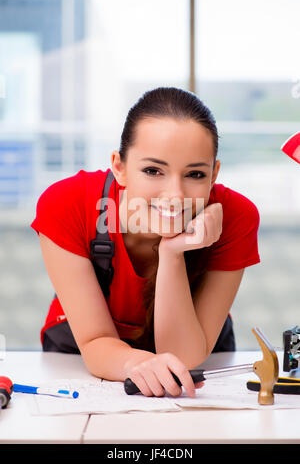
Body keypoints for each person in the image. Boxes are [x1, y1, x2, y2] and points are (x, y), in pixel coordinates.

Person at [31, 86, 260, 399]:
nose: (175, 195)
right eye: (153, 170)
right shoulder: (67, 203)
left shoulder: (237, 216)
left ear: (214, 173)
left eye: (194, 174)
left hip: (196, 354)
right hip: (82, 362)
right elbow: (96, 340)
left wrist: (172, 252)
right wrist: (135, 362)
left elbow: (185, 356)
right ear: (119, 167)